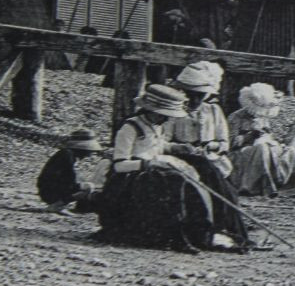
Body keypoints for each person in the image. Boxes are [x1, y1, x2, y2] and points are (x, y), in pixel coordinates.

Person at [93, 85, 224, 251]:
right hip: (131, 179)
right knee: (173, 182)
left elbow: (157, 147)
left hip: (154, 172)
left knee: (189, 181)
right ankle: (175, 236)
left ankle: (196, 234)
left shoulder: (157, 126)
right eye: (165, 115)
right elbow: (119, 165)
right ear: (153, 110)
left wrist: (177, 148)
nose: (168, 119)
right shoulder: (130, 128)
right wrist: (149, 164)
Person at [167, 62, 249, 248]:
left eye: (200, 95)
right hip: (183, 158)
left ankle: (230, 230)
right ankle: (208, 231)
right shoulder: (173, 111)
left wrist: (211, 146)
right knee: (205, 179)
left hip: (210, 158)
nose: (195, 99)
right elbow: (162, 142)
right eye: (190, 94)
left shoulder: (213, 110)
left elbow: (224, 142)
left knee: (227, 190)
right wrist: (181, 147)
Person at [228, 83, 295, 196]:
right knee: (262, 149)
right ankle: (262, 186)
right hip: (242, 153)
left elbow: (268, 135)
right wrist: (249, 136)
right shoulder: (236, 117)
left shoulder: (263, 117)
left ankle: (293, 189)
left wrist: (269, 137)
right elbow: (231, 143)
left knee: (291, 151)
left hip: (265, 147)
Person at [36, 129, 106, 212]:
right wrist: (82, 186)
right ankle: (57, 205)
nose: (90, 153)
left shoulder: (67, 154)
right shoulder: (67, 156)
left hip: (48, 188)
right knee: (88, 187)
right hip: (50, 191)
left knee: (85, 184)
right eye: (90, 151)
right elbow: (69, 180)